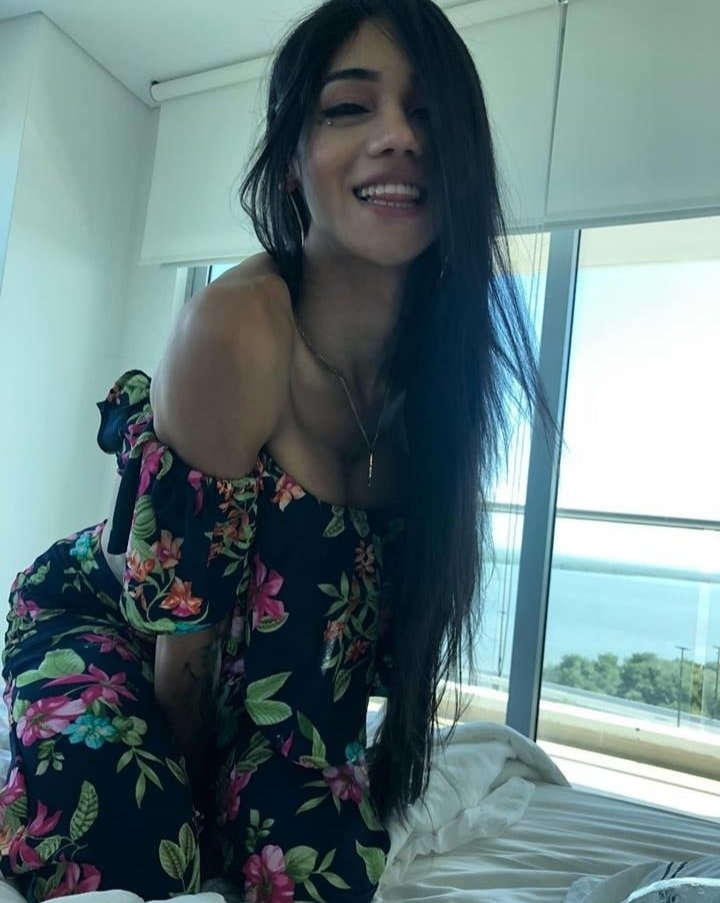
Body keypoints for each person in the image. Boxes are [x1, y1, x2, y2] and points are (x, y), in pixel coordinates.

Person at [0, 0, 549, 900]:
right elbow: (181, 654)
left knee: (318, 873)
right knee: (146, 848)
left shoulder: (447, 377)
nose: (399, 136)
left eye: (428, 113)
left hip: (267, 697)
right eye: (349, 107)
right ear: (292, 163)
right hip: (123, 631)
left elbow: (345, 667)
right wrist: (199, 824)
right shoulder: (238, 327)